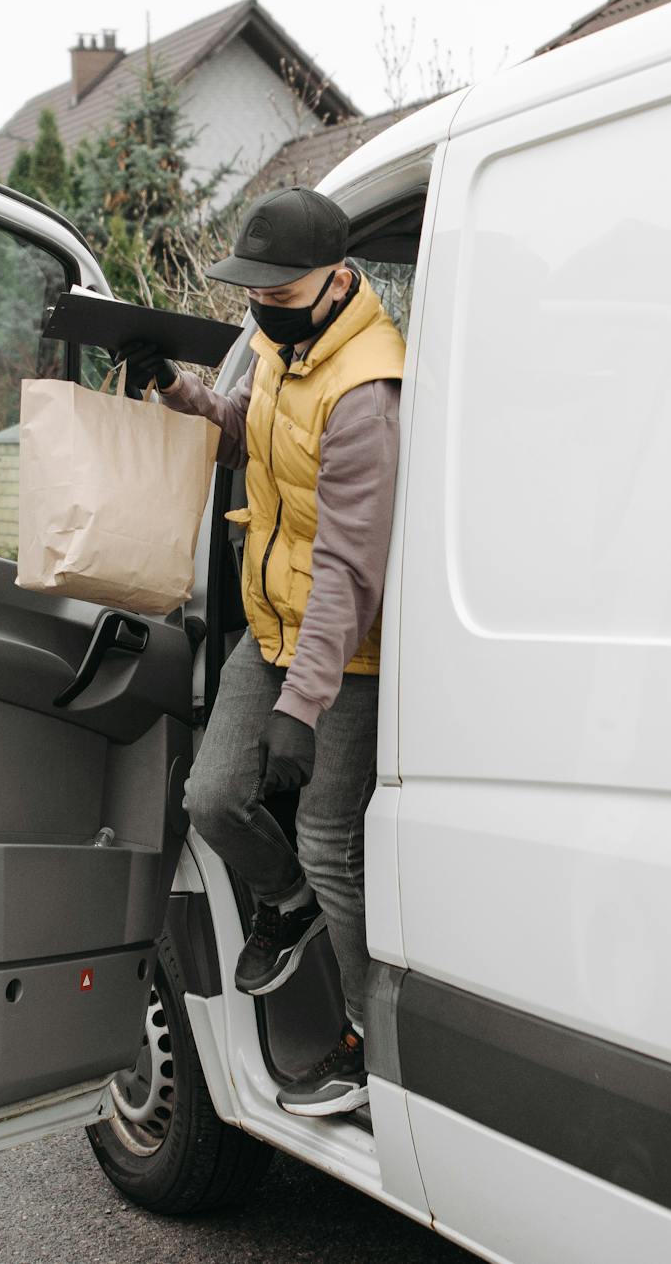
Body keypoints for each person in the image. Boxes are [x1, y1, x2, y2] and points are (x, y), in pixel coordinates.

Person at [116, 188, 402, 1118]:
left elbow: (352, 569)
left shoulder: (365, 390)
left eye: (277, 291)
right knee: (212, 797)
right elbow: (244, 435)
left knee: (330, 842)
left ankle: (364, 1047)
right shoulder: (289, 350)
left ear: (336, 277)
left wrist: (302, 705)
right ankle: (286, 904)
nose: (262, 305)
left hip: (341, 652)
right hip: (271, 630)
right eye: (254, 292)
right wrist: (173, 387)